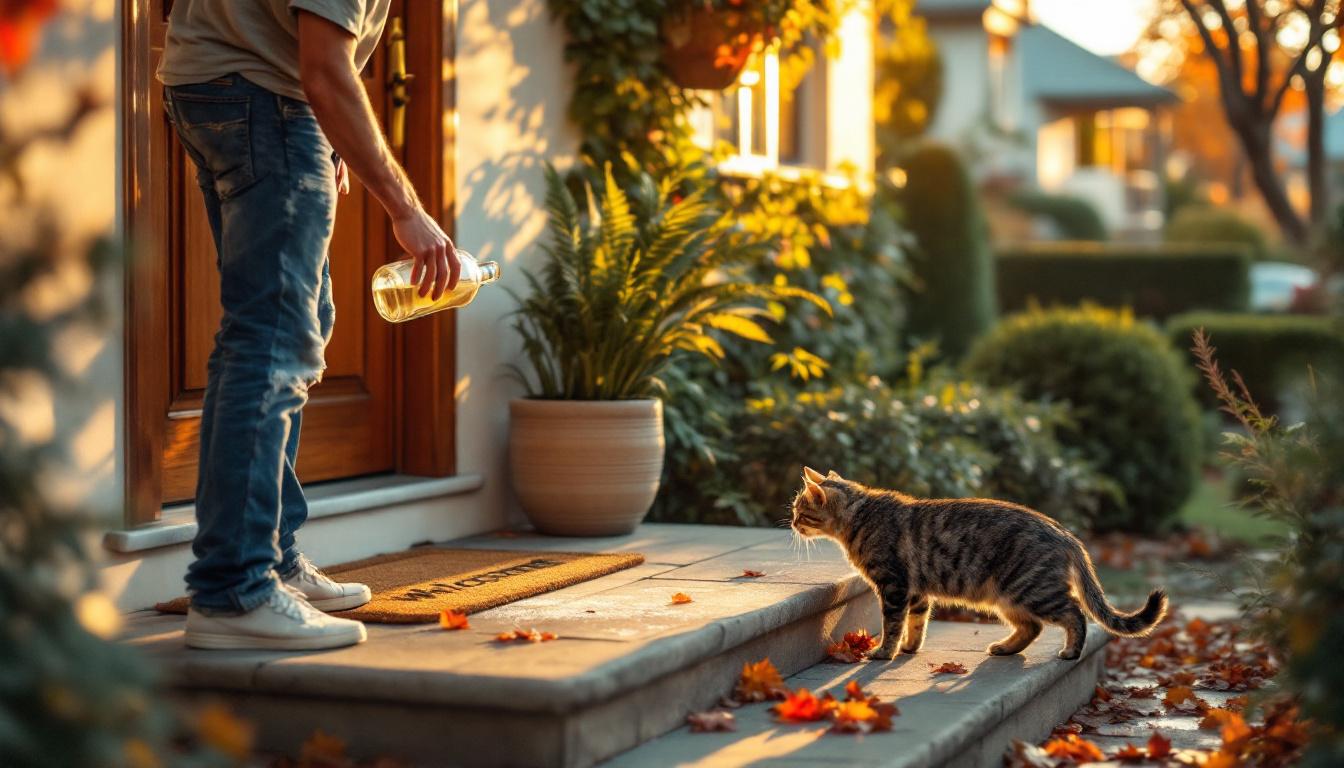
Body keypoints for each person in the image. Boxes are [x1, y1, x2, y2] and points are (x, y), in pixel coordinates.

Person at [157, 0, 460, 650]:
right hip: (263, 97)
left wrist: (330, 132)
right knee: (270, 342)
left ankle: (272, 556)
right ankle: (234, 590)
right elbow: (324, 68)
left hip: (229, 88)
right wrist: (405, 208)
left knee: (294, 321)